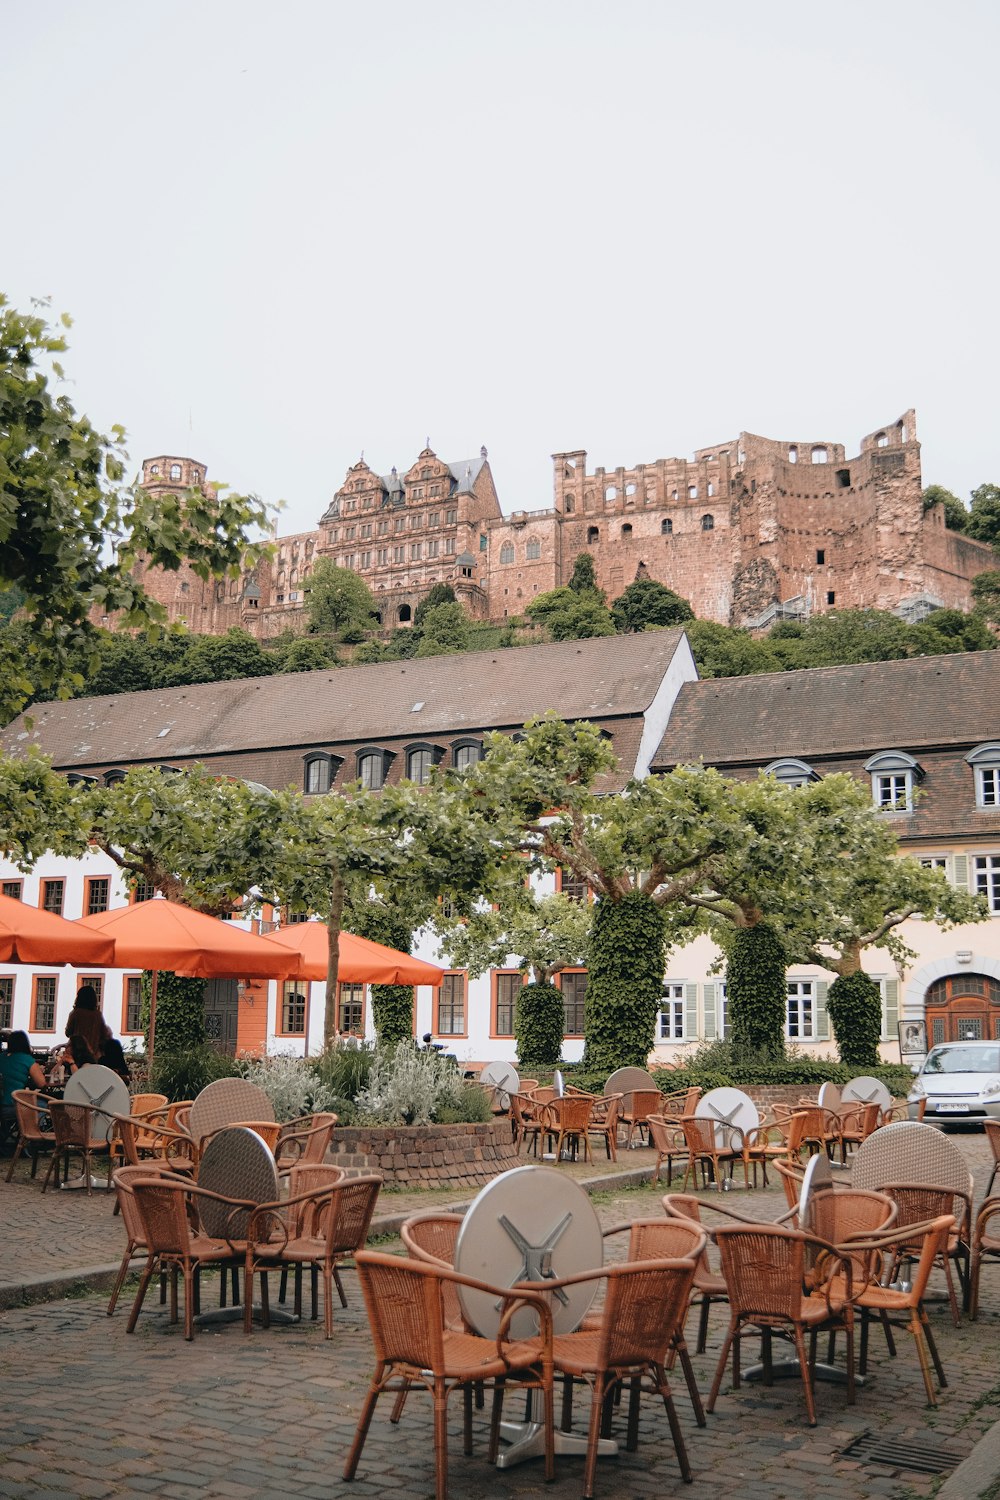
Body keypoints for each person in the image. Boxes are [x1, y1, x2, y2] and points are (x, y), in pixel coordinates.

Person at [0, 1032, 47, 1147]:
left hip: (2, 1105)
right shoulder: (27, 1060)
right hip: (16, 1105)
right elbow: (41, 1083)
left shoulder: (1, 1057)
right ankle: (33, 1135)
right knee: (44, 1105)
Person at [65, 984, 111, 1059]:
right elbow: (104, 1034)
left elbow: (68, 1033)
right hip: (94, 1054)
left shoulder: (75, 1013)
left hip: (77, 1053)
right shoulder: (98, 1015)